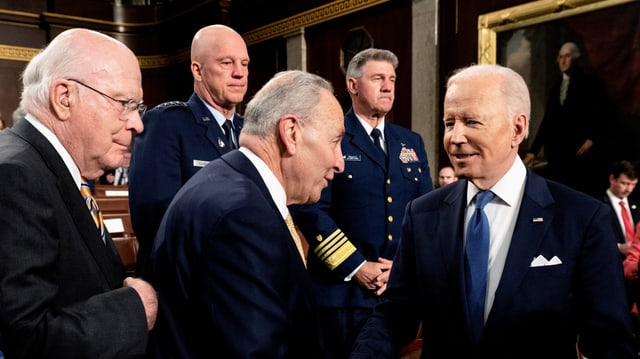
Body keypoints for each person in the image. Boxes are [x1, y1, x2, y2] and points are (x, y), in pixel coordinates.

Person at [351, 64, 635, 358]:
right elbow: (395, 314)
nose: (455, 137)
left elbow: (610, 340)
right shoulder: (422, 214)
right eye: (450, 123)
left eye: (472, 122)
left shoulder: (582, 218)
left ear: (518, 128)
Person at [144, 70, 345, 358]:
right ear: (291, 133)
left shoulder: (232, 184)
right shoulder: (241, 215)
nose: (340, 163)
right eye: (335, 142)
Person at [0, 28, 157, 357]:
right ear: (64, 98)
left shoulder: (47, 165)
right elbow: (27, 339)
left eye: (137, 108)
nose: (138, 124)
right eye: (124, 104)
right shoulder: (16, 175)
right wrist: (132, 309)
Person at [293, 48, 433, 359]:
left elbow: (426, 212)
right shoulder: (329, 137)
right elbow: (310, 208)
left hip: (397, 293)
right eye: (378, 78)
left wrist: (401, 269)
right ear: (353, 85)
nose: (388, 86)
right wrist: (356, 266)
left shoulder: (410, 142)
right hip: (343, 294)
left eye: (392, 80)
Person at [128, 24, 249, 276]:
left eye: (245, 63)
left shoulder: (249, 131)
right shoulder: (166, 123)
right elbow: (155, 220)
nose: (239, 73)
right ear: (198, 70)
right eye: (226, 63)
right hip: (187, 281)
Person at [523, 41, 611, 197]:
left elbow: (602, 113)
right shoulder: (556, 87)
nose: (563, 61)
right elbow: (547, 121)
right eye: (561, 57)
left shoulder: (589, 83)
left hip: (580, 151)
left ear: (575, 59)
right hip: (558, 152)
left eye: (567, 56)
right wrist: (533, 152)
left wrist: (591, 139)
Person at [601, 160, 640, 257]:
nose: (629, 189)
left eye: (633, 184)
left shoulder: (637, 206)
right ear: (612, 179)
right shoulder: (599, 206)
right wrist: (618, 247)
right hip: (611, 261)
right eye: (624, 183)